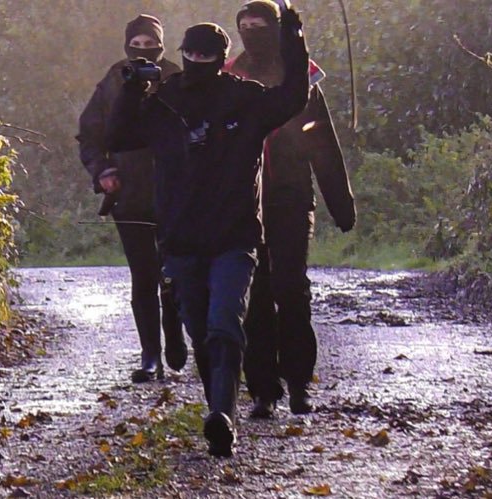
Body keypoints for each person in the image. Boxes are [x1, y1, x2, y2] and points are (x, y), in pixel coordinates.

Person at [107, 7, 310, 458]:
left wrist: (293, 38)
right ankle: (219, 407)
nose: (197, 60)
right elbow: (118, 137)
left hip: (235, 239)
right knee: (202, 332)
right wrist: (132, 89)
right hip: (181, 241)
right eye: (192, 54)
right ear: (184, 54)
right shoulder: (165, 103)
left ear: (221, 57)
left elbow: (295, 95)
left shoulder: (245, 99)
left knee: (224, 325)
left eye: (205, 54)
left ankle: (222, 416)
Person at [225, 1, 357, 419]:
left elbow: (323, 144)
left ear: (276, 28)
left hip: (291, 197)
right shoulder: (228, 77)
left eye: (260, 25)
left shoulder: (302, 81)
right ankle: (263, 389)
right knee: (256, 295)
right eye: (245, 25)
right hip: (244, 202)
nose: (251, 31)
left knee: (291, 288)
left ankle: (299, 382)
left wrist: (341, 203)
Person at [76, 15, 186, 383]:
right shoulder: (114, 79)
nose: (143, 51)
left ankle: (174, 333)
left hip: (175, 193)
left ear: (161, 45)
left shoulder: (177, 78)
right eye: (136, 45)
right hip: (129, 194)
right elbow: (89, 134)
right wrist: (103, 170)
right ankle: (150, 354)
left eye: (150, 45)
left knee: (174, 272)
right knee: (143, 275)